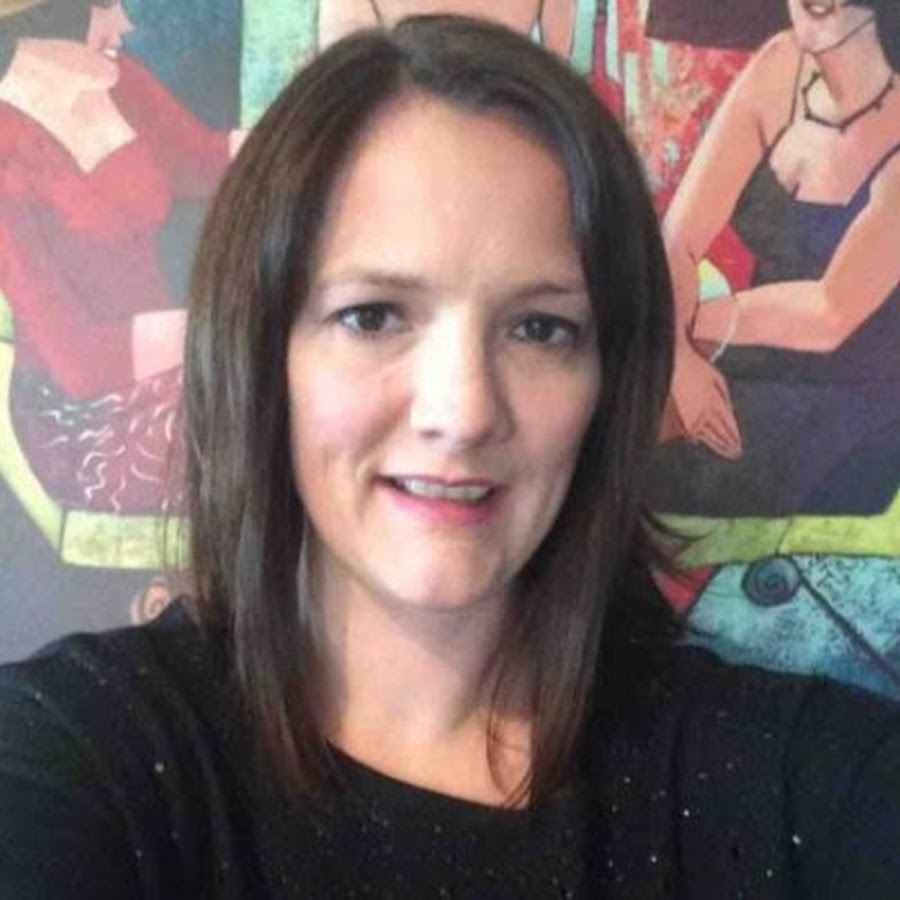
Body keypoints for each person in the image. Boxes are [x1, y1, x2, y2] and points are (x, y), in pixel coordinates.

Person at [1, 14, 899, 898]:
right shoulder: (81, 756)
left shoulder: (796, 775)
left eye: (540, 329)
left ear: (609, 382)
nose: (463, 412)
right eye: (373, 317)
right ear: (262, 353)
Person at [653, 0, 900, 517]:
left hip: (853, 404)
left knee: (632, 466)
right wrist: (677, 355)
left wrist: (688, 328)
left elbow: (829, 314)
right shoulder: (780, 65)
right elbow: (677, 240)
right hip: (745, 346)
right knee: (610, 412)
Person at [0, 0, 239, 514]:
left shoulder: (113, 78)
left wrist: (317, 143)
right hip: (84, 418)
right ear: (48, 20)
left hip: (180, 365)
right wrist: (225, 331)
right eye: (105, 6)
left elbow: (201, 161)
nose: (126, 24)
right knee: (272, 425)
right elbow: (78, 361)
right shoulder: (4, 154)